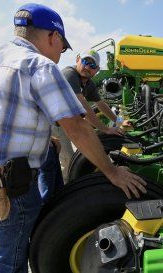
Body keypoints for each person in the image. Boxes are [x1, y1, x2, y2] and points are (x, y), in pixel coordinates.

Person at [0, 3, 146, 273]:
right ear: (52, 37)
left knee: (19, 226)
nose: (60, 53)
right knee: (10, 262)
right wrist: (113, 172)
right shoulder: (39, 65)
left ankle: (46, 219)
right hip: (4, 184)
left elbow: (4, 112)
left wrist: (45, 141)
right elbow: (76, 128)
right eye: (63, 47)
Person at [53, 49, 131, 183]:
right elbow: (83, 105)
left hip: (68, 123)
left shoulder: (89, 83)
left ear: (97, 69)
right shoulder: (69, 75)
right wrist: (105, 129)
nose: (88, 67)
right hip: (54, 125)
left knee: (77, 157)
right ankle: (67, 194)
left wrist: (120, 121)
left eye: (92, 65)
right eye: (85, 62)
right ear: (78, 59)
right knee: (69, 162)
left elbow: (101, 104)